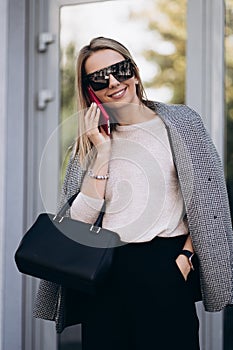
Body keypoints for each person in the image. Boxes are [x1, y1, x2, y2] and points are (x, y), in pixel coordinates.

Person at [33, 37, 233, 350]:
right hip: (104, 271)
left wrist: (184, 257)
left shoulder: (181, 123)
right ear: (89, 90)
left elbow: (209, 199)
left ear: (135, 72)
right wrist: (102, 152)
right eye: (99, 78)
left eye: (120, 70)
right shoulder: (89, 142)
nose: (113, 82)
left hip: (165, 266)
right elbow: (77, 223)